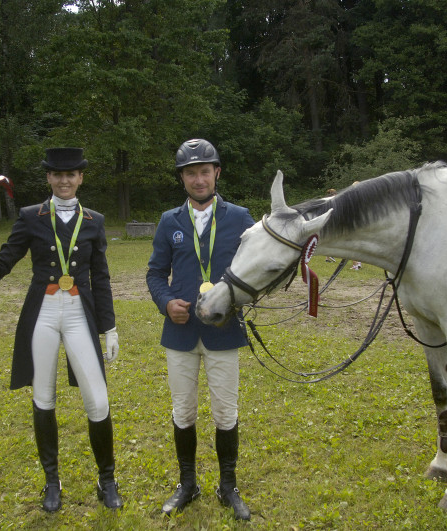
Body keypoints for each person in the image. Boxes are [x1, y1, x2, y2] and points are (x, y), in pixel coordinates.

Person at [0, 147, 123, 512]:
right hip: (42, 314)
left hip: (79, 315)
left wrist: (110, 327)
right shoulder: (31, 217)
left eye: (71, 174)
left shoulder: (94, 221)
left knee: (98, 400)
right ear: (48, 178)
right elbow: (0, 266)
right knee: (44, 397)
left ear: (81, 178)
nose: (64, 180)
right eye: (57, 175)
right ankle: (51, 482)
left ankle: (107, 480)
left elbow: (101, 279)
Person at [146, 139, 255, 521]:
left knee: (226, 412)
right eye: (190, 172)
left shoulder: (241, 218)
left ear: (217, 173)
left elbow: (254, 270)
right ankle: (187, 483)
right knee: (183, 411)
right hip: (181, 331)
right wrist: (165, 302)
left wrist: (239, 302)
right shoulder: (168, 221)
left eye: (204, 171)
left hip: (223, 330)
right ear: (182, 178)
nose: (198, 178)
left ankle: (228, 487)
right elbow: (155, 273)